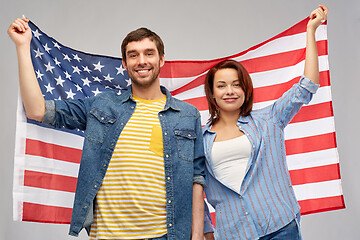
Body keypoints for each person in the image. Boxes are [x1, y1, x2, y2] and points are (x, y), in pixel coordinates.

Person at [8, 18, 206, 240]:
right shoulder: (101, 104)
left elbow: (196, 181)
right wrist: (23, 46)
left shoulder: (187, 114)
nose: (142, 61)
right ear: (124, 62)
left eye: (149, 53)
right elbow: (37, 110)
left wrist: (196, 238)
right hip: (108, 235)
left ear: (161, 60)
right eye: (133, 55)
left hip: (165, 235)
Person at [202, 5, 328, 240]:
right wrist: (207, 234)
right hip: (233, 234)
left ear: (245, 89)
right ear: (212, 93)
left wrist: (311, 31)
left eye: (236, 84)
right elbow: (195, 190)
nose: (230, 91)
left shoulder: (269, 119)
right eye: (221, 85)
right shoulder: (199, 139)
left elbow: (307, 85)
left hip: (281, 226)